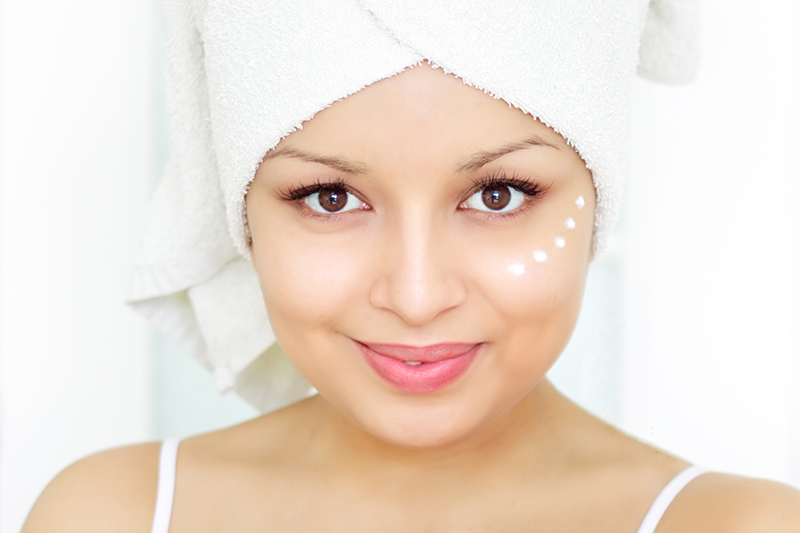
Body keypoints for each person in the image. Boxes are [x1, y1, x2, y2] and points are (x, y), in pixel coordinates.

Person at [22, 1, 800, 532]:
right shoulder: (111, 515)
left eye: (498, 194)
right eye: (330, 197)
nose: (418, 295)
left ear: (599, 196)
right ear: (243, 214)